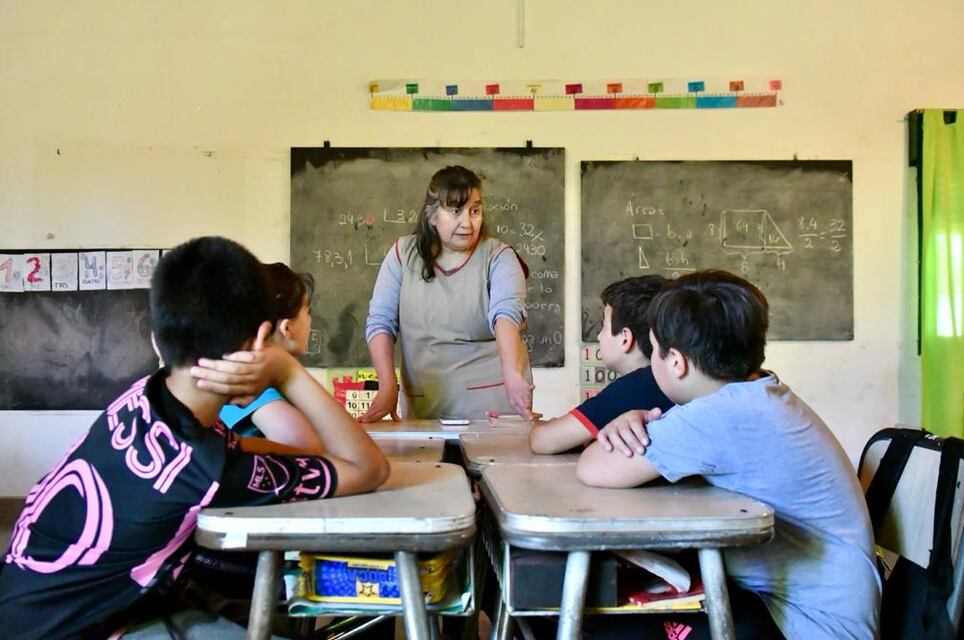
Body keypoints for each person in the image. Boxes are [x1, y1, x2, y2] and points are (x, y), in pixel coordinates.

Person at [0, 237, 389, 639]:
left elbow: (259, 448)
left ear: (159, 337)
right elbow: (369, 468)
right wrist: (287, 371)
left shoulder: (144, 397)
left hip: (14, 614)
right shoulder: (207, 469)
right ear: (260, 341)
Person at [576, 270, 880, 640]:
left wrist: (622, 423)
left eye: (654, 350)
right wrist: (631, 421)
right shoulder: (758, 392)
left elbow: (593, 468)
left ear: (676, 362)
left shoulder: (721, 416)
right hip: (787, 605)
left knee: (596, 628)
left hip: (805, 626)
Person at [361, 165, 534, 422]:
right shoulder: (402, 254)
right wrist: (387, 386)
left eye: (475, 211)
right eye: (455, 211)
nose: (467, 222)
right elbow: (380, 321)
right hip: (425, 402)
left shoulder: (498, 256)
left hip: (492, 405)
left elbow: (506, 315)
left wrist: (512, 374)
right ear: (431, 215)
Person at [529, 275, 673, 454]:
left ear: (625, 338)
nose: (598, 336)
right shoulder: (669, 380)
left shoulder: (633, 389)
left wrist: (540, 426)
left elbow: (543, 441)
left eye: (603, 326)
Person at [219, 262, 323, 451]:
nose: (309, 320)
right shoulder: (252, 385)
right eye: (307, 312)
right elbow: (308, 448)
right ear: (286, 328)